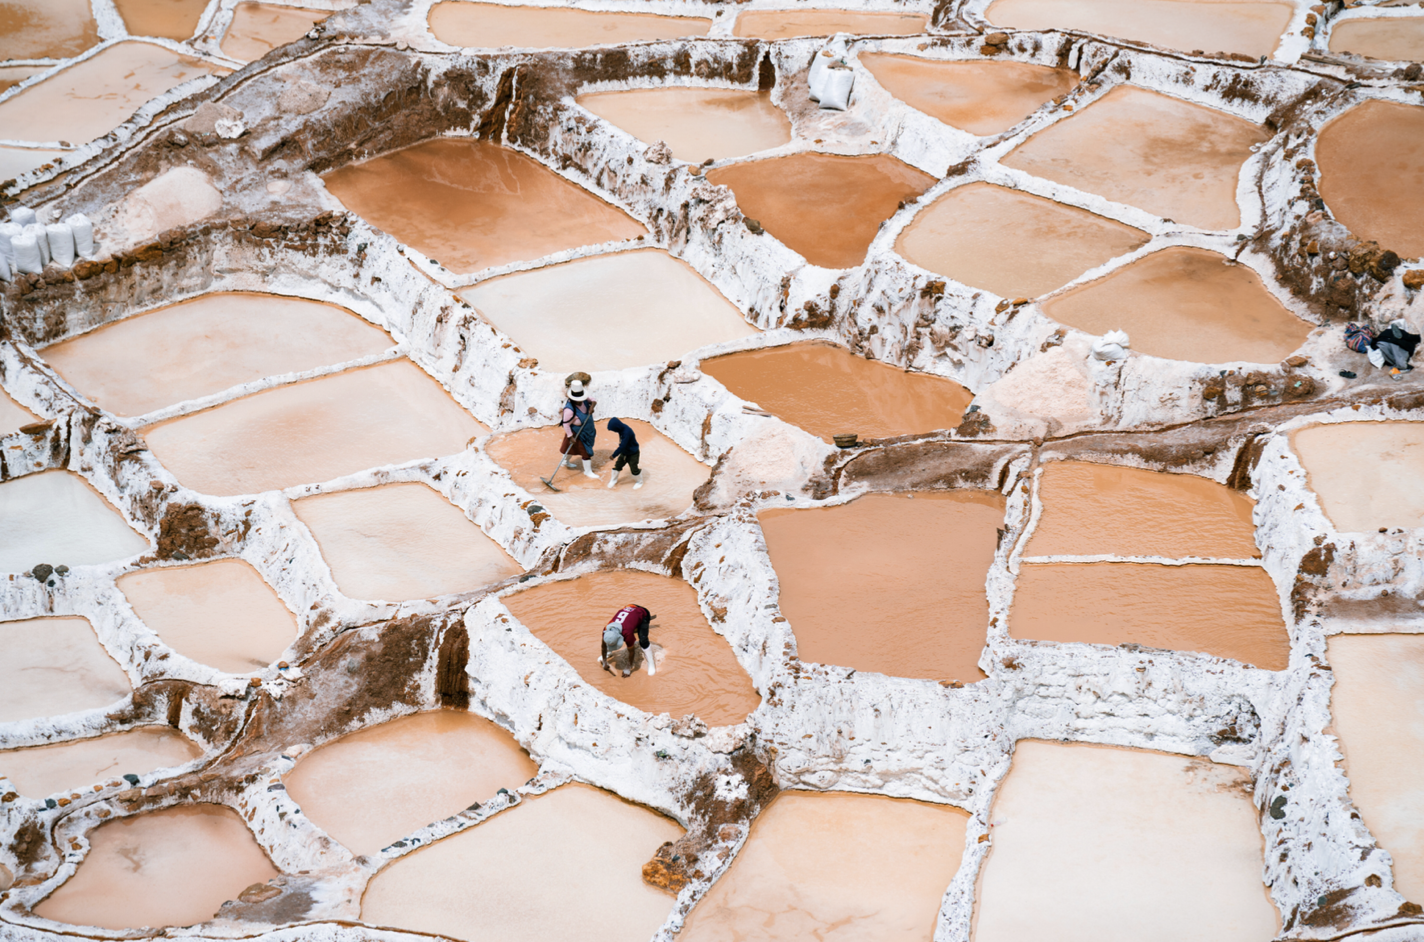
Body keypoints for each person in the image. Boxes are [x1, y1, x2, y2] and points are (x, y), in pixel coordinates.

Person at [599, 604, 657, 677]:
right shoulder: (606, 629)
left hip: (643, 613)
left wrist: (627, 668)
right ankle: (609, 653)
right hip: (630, 607)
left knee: (643, 640)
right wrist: (604, 662)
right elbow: (603, 646)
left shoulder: (627, 633)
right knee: (611, 639)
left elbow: (632, 652)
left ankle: (650, 662)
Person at [561, 380, 598, 479]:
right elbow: (566, 424)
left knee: (571, 449)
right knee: (586, 452)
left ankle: (565, 462)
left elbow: (593, 399)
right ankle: (588, 471)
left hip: (587, 431)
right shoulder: (569, 409)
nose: (581, 400)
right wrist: (570, 437)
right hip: (577, 433)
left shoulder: (585, 399)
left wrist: (592, 406)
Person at [606, 417, 644, 490]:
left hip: (633, 454)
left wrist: (613, 455)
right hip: (625, 453)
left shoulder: (626, 432)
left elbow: (622, 446)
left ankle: (640, 481)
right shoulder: (621, 429)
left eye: (613, 429)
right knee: (617, 466)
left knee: (634, 469)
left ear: (616, 427)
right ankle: (613, 480)